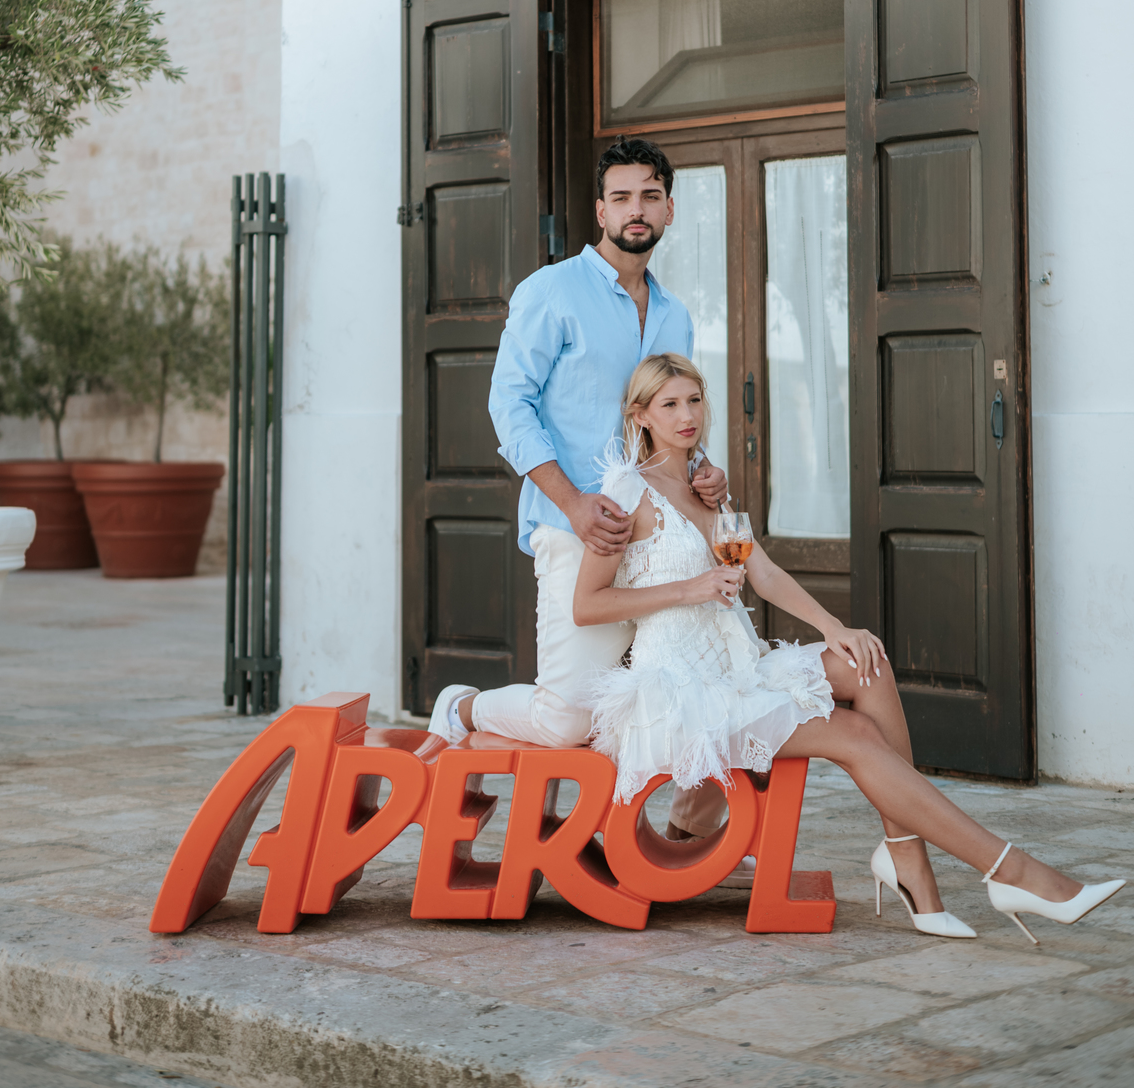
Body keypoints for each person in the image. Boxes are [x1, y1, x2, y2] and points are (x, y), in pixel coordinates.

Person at [577, 352, 1125, 942]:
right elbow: (588, 604)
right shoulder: (627, 492)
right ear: (641, 416)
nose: (687, 416)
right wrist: (690, 589)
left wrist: (833, 627)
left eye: (694, 400)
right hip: (683, 694)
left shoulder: (706, 487)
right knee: (854, 735)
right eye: (669, 405)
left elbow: (763, 573)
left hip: (740, 668)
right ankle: (1009, 872)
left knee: (867, 663)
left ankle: (909, 860)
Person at [427, 136, 727, 838]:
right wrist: (572, 501)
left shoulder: (675, 313)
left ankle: (664, 836)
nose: (636, 209)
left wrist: (701, 468)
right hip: (572, 529)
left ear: (669, 209)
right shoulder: (551, 291)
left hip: (658, 545)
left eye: (650, 195)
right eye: (621, 197)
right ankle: (462, 708)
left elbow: (668, 415)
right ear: (600, 210)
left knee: (682, 693)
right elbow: (509, 405)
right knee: (567, 718)